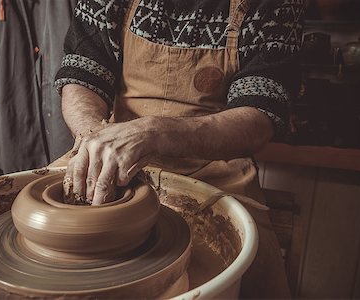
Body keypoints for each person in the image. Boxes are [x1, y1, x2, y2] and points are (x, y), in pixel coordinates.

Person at [54, 0, 304, 297]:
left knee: (254, 274)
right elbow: (82, 75)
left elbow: (258, 118)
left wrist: (152, 133)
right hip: (113, 151)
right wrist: (92, 135)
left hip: (215, 168)